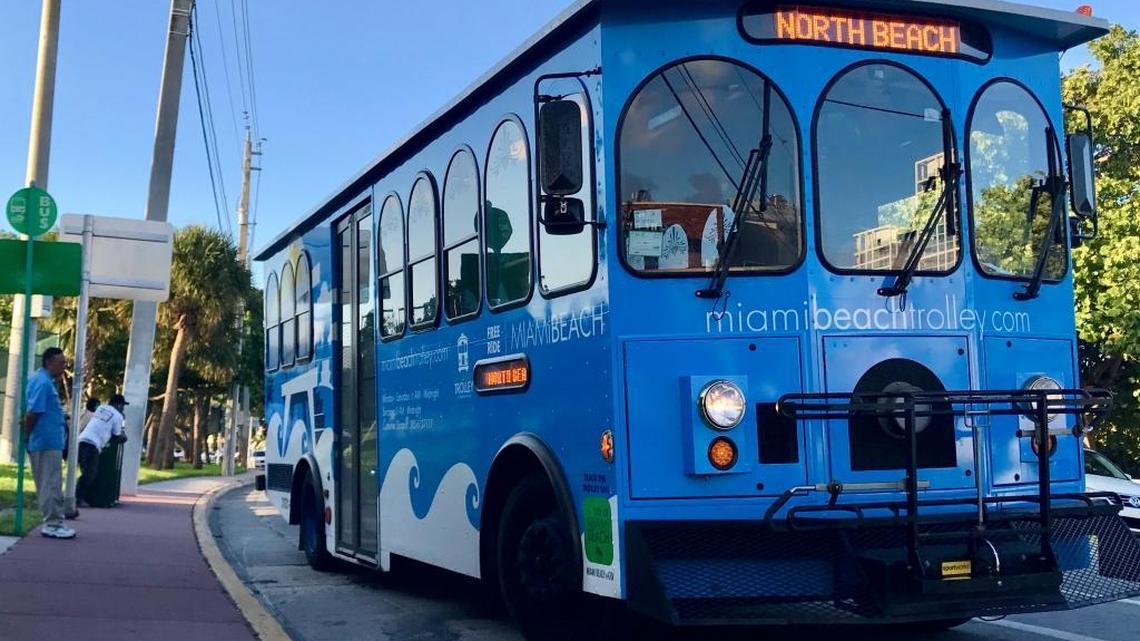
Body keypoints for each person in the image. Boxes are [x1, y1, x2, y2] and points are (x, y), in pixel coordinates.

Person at [23, 347, 75, 539]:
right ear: (49, 362)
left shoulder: (46, 382)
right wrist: (29, 435)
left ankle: (54, 521)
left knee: (52, 481)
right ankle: (52, 523)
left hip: (50, 440)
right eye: (61, 363)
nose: (64, 367)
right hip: (44, 441)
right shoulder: (42, 382)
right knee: (50, 483)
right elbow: (33, 412)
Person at [76, 394, 128, 508]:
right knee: (89, 473)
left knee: (87, 471)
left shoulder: (100, 408)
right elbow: (116, 436)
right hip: (92, 444)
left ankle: (83, 497)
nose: (123, 408)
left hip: (82, 440)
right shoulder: (118, 416)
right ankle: (76, 498)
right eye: (122, 406)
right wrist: (124, 438)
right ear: (118, 405)